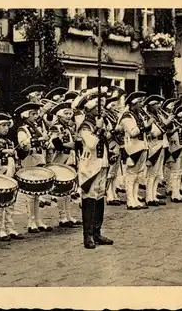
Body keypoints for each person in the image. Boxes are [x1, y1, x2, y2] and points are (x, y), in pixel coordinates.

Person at [74, 87, 114, 249]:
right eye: (99, 107)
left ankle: (97, 233)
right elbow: (91, 144)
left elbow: (107, 139)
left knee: (99, 197)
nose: (103, 110)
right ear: (90, 108)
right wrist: (98, 128)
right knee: (89, 198)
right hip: (90, 166)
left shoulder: (100, 123)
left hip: (101, 164)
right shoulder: (85, 126)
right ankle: (88, 236)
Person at [0, 112, 25, 242]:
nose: (6, 128)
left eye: (8, 125)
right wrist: (1, 152)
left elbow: (16, 157)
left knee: (10, 202)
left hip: (11, 173)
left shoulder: (10, 141)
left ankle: (10, 227)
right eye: (3, 126)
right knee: (0, 202)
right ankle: (0, 229)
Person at [15, 102, 53, 233]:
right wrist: (39, 140)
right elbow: (22, 144)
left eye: (36, 113)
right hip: (29, 159)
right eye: (33, 114)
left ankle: (38, 219)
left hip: (39, 158)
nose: (36, 116)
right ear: (26, 115)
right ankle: (31, 221)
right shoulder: (23, 129)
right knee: (31, 193)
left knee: (38, 192)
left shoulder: (37, 127)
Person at [46, 101, 82, 227]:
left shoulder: (69, 127)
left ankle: (69, 215)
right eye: (65, 114)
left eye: (69, 113)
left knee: (69, 189)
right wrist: (68, 145)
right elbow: (53, 144)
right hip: (61, 160)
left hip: (71, 159)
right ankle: (62, 217)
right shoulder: (56, 127)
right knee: (62, 189)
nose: (68, 116)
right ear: (59, 115)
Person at [116, 91, 152, 210]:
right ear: (133, 104)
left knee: (138, 175)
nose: (141, 105)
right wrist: (146, 126)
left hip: (142, 146)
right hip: (132, 148)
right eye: (139, 103)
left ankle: (135, 198)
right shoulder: (127, 116)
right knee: (131, 175)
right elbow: (133, 132)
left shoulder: (138, 115)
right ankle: (130, 200)